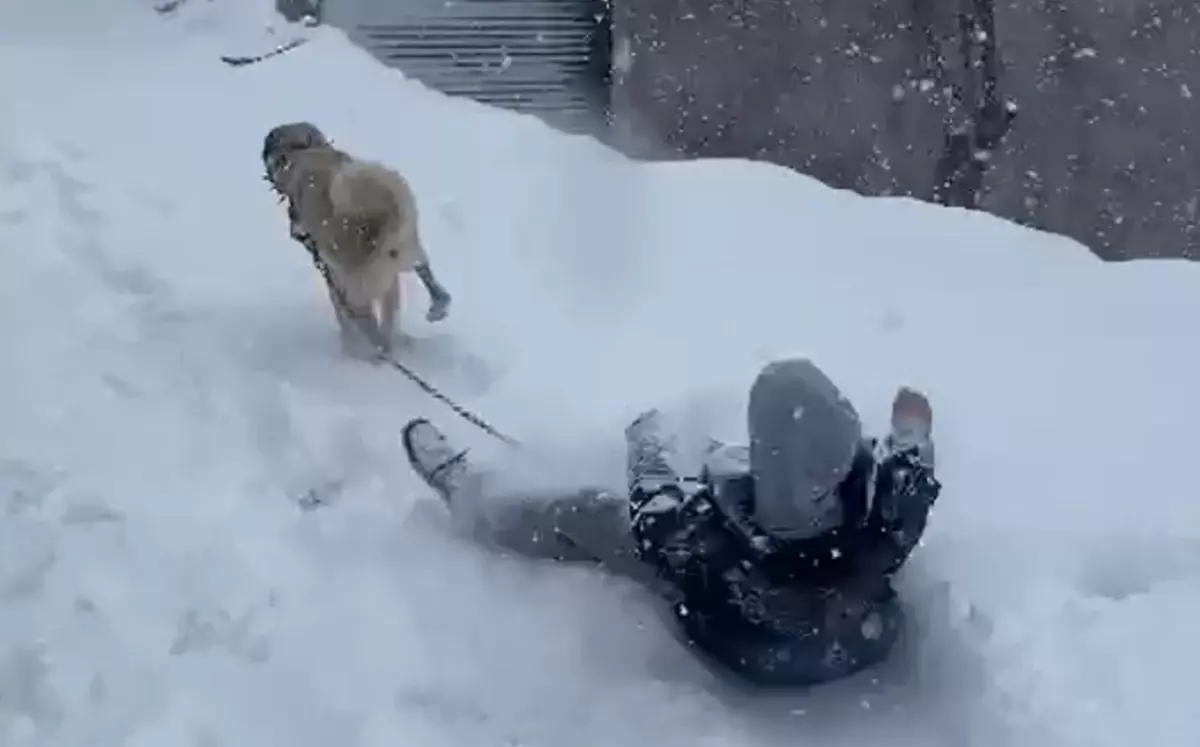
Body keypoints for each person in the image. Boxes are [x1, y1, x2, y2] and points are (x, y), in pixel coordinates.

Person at [402, 358, 941, 688]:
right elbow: (910, 472)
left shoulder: (702, 539)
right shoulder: (881, 508)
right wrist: (913, 425)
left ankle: (474, 497)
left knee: (589, 513)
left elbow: (652, 509)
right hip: (855, 637)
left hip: (752, 648)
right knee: (716, 468)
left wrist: (646, 441)